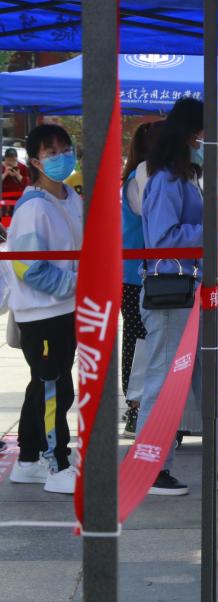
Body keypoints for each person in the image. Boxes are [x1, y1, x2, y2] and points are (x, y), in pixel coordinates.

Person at [138, 97, 218, 496]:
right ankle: (151, 468)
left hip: (192, 291)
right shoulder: (166, 180)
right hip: (172, 293)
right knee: (163, 383)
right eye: (206, 134)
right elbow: (163, 239)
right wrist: (215, 227)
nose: (209, 141)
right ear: (193, 134)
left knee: (217, 379)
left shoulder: (183, 177)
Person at [5, 124, 82, 495]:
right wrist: (75, 283)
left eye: (65, 148)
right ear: (34, 161)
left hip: (65, 309)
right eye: (51, 152)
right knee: (55, 389)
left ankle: (28, 460)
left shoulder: (70, 197)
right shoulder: (34, 207)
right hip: (42, 313)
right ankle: (57, 464)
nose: (61, 156)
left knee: (43, 385)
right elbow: (28, 267)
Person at [120, 120, 163, 436]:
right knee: (139, 344)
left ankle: (144, 407)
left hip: (146, 272)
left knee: (148, 342)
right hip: (137, 275)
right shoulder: (143, 176)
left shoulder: (150, 174)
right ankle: (136, 409)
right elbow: (156, 217)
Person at [2, 148, 30, 216]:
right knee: (4, 215)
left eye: (14, 160)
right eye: (9, 160)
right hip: (4, 196)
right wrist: (5, 173)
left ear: (16, 158)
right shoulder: (1, 167)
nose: (11, 162)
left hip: (18, 196)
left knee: (16, 214)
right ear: (5, 158)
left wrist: (18, 176)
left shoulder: (22, 167)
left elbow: (28, 183)